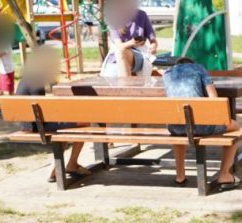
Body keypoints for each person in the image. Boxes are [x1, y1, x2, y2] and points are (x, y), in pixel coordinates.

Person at [162, 57, 242, 191]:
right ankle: (224, 175)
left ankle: (180, 175)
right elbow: (214, 99)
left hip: (175, 127)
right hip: (201, 127)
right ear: (192, 64)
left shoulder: (168, 74)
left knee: (178, 127)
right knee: (235, 127)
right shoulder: (199, 69)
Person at [16, 47, 90, 183]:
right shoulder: (36, 83)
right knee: (85, 122)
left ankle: (58, 167)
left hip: (27, 124)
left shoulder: (27, 78)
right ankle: (71, 164)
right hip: (36, 126)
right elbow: (43, 111)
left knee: (67, 126)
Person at [102, 0, 157, 78]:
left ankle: (126, 87)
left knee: (121, 52)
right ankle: (126, 86)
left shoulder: (142, 15)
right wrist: (132, 42)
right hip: (117, 55)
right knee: (120, 52)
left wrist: (153, 46)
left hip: (137, 53)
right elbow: (120, 45)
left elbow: (153, 41)